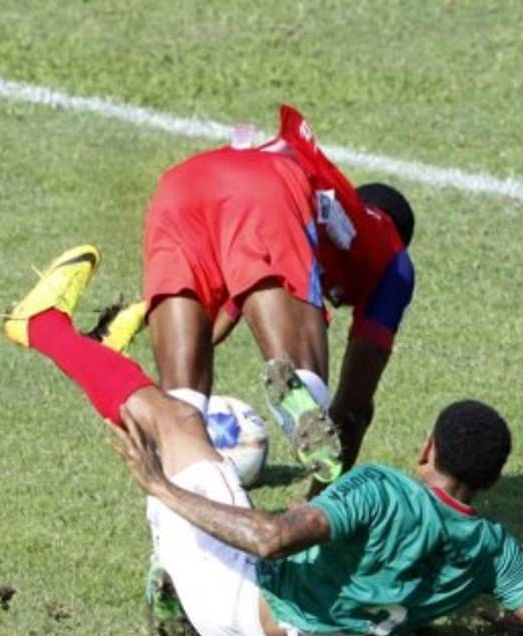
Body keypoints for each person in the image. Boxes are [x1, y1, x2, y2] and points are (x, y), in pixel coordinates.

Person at [2, 245, 523, 636]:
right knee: (210, 473)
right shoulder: (494, 549)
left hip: (243, 608)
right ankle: (175, 563)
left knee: (175, 419)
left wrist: (161, 487)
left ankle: (43, 326)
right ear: (491, 482)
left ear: (428, 447)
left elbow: (270, 539)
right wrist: (500, 618)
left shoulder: (382, 488)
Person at [105, 104, 416, 487]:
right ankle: (305, 390)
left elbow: (220, 317)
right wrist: (317, 511)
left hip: (183, 184)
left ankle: (180, 479)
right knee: (304, 379)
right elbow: (353, 409)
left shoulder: (324, 201)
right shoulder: (393, 263)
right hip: (266, 190)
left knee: (182, 400)